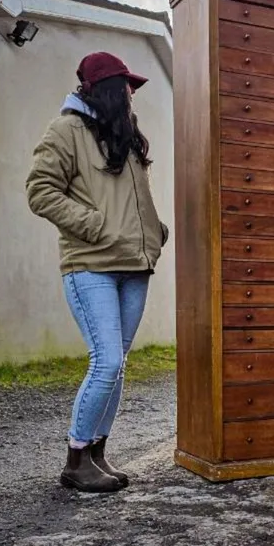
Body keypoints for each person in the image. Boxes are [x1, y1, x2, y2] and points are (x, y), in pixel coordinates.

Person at [26, 52, 169, 494]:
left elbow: (134, 201)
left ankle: (96, 452)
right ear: (106, 88)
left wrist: (155, 231)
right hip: (91, 265)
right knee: (105, 361)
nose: (131, 94)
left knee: (119, 365)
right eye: (127, 85)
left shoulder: (125, 136)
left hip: (134, 265)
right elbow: (40, 191)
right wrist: (95, 226)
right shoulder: (66, 130)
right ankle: (75, 459)